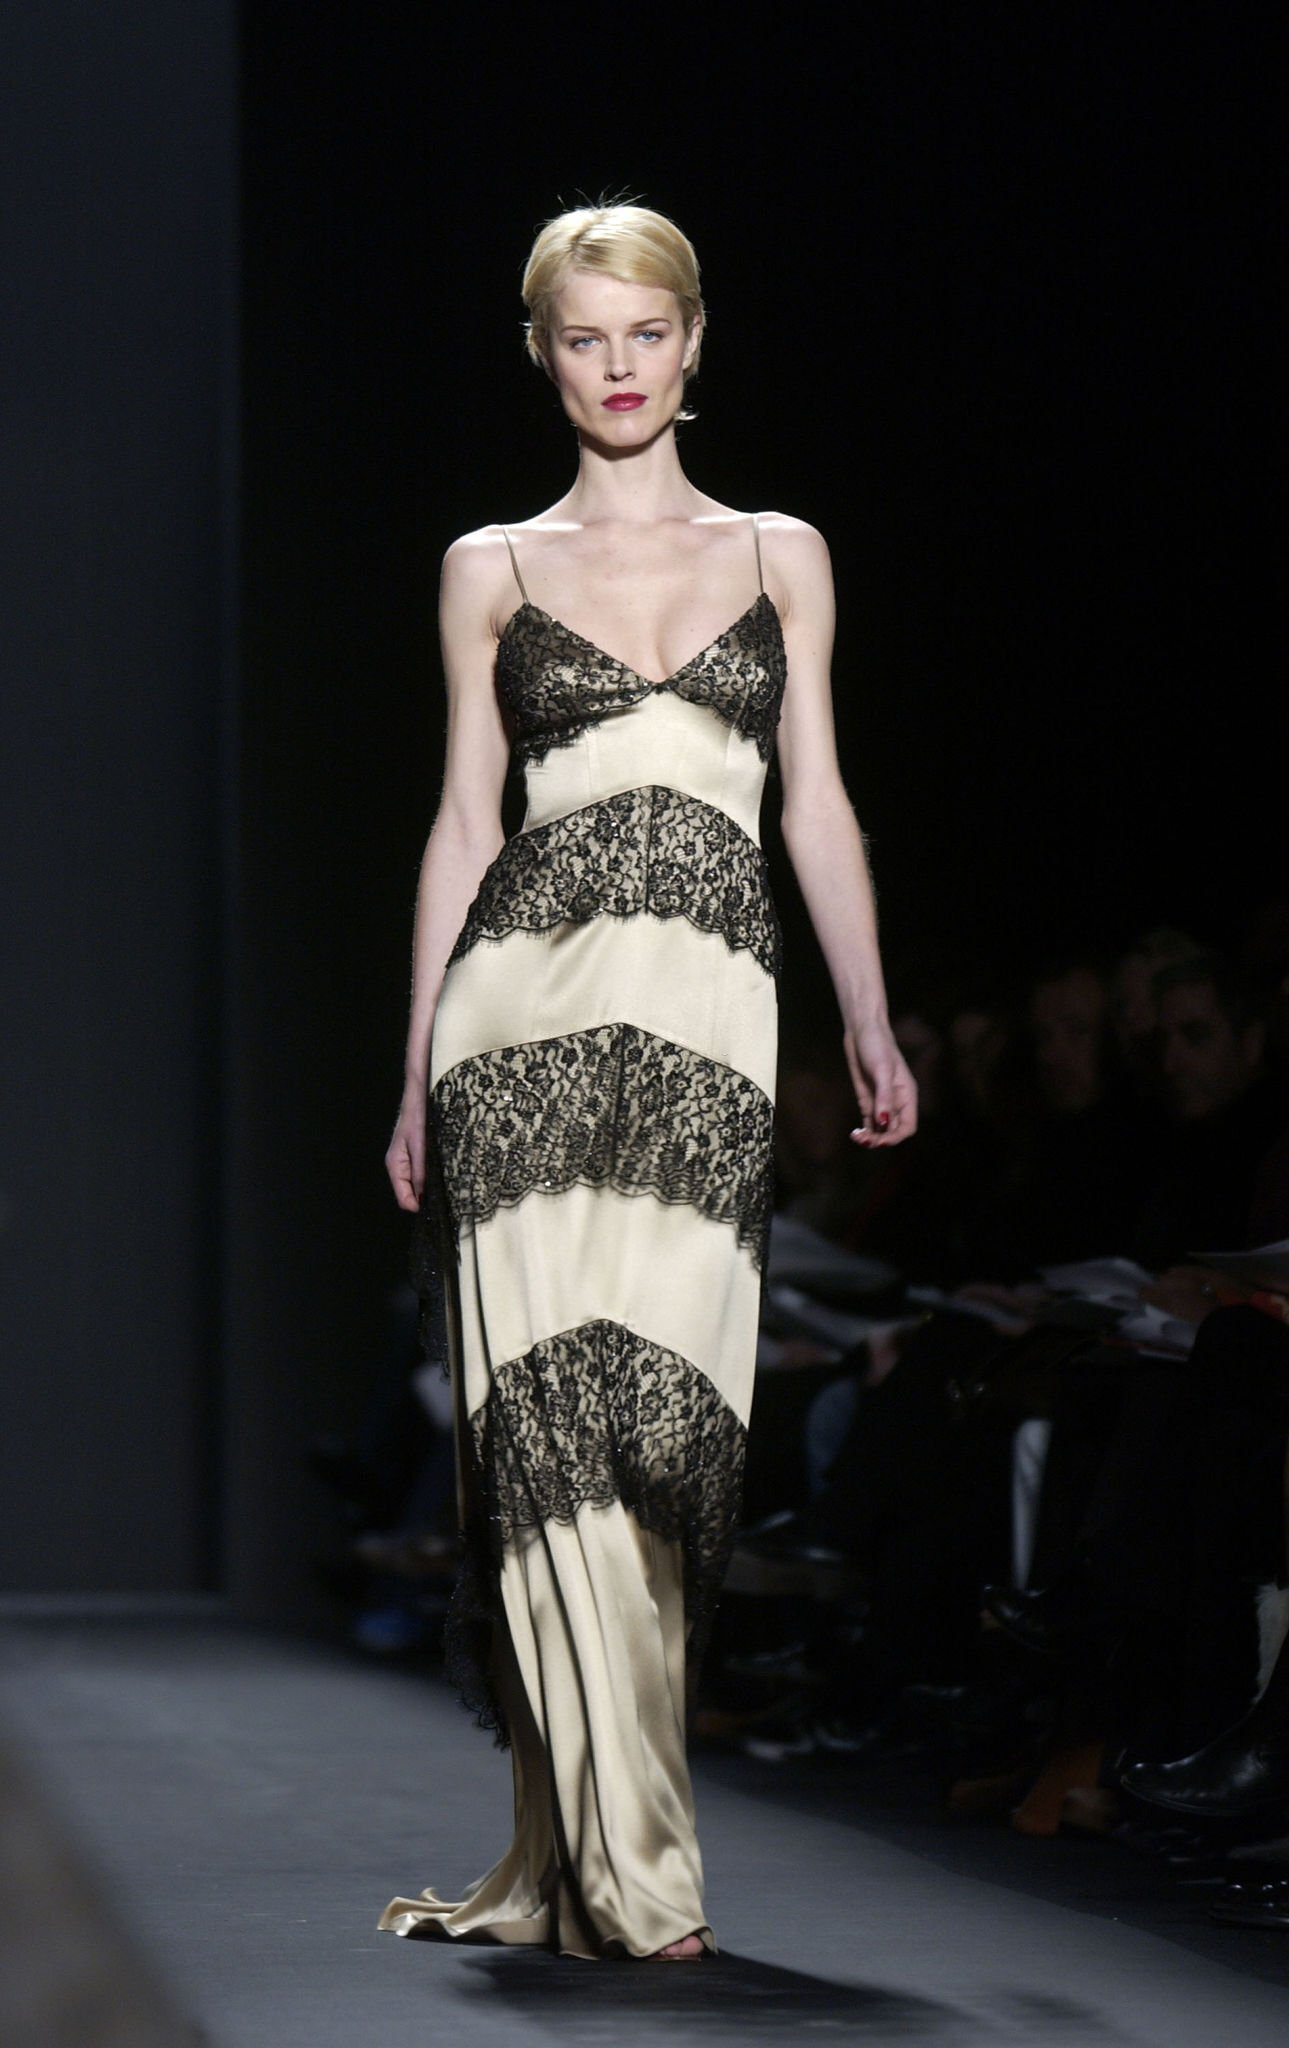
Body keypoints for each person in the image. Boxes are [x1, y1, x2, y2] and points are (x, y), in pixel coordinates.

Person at [375, 201, 916, 1961]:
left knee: (664, 1444)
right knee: (547, 1439)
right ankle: (641, 1877)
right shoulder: (490, 567)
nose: (618, 368)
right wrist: (415, 1075)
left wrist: (870, 1015)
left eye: (646, 333)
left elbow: (815, 803)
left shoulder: (780, 552)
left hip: (708, 1038)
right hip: (517, 1031)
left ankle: (591, 1846)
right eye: (584, 338)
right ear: (543, 355)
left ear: (695, 342)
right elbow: (465, 825)